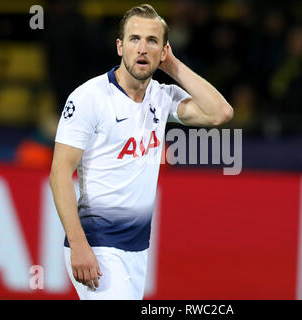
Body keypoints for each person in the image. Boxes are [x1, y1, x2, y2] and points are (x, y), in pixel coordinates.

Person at [49, 4, 233, 300]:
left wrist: (172, 66)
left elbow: (220, 113)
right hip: (98, 246)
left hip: (136, 249)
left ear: (163, 50)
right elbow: (59, 174)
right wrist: (78, 243)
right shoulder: (90, 98)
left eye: (152, 41)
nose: (142, 48)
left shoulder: (162, 97)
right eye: (134, 39)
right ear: (120, 46)